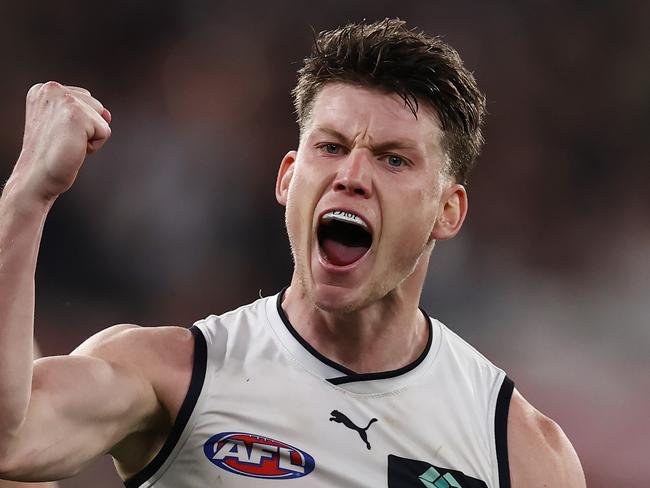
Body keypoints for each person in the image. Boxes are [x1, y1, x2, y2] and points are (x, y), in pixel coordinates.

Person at [0, 19, 585, 488]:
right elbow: (10, 440)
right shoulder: (176, 375)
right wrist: (28, 194)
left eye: (394, 159)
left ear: (448, 212)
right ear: (287, 178)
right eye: (329, 147)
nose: (351, 176)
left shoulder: (518, 448)